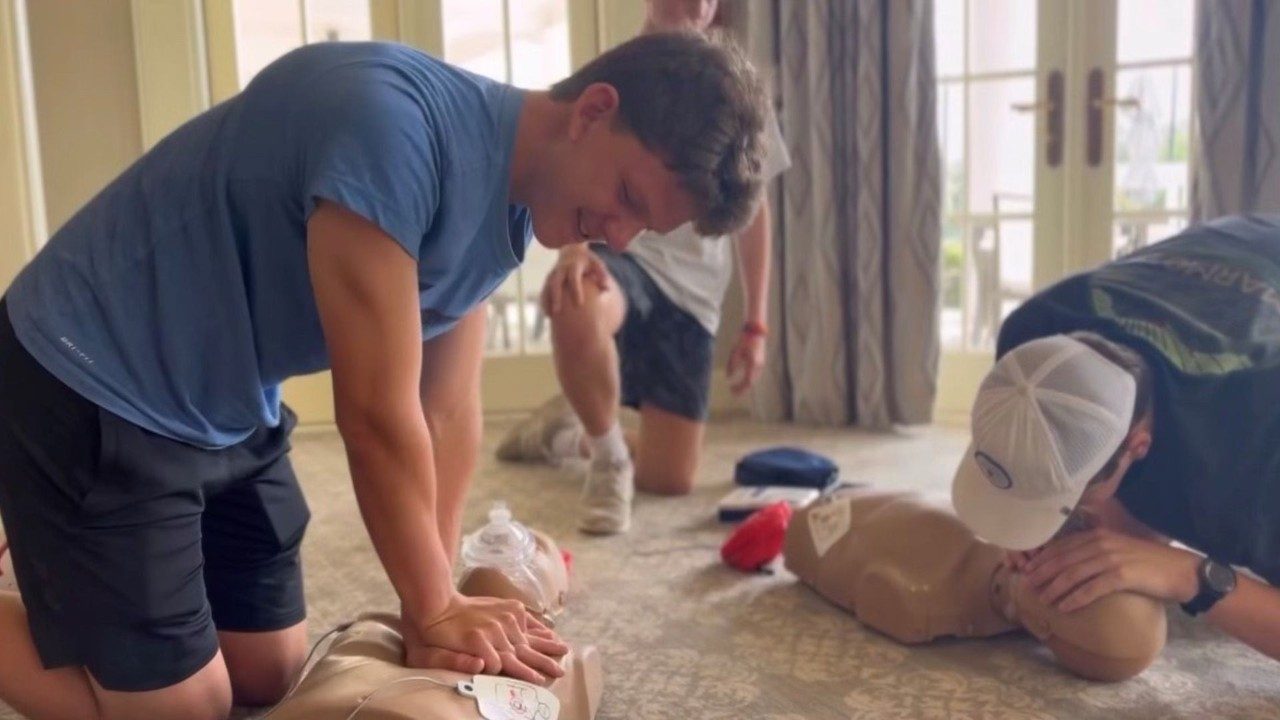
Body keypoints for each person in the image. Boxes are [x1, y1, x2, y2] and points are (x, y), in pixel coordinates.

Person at [0, 31, 768, 720]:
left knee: (267, 676)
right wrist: (433, 607)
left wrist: (430, 608)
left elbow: (448, 412)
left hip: (231, 407)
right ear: (593, 110)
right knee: (189, 713)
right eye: (628, 198)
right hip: (89, 379)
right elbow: (374, 412)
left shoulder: (511, 204)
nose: (621, 237)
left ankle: (65, 564)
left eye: (646, 226)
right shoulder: (390, 127)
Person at [496, 0, 791, 535]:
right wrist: (573, 251)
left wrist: (756, 323)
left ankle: (564, 435)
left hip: (695, 295)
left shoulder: (741, 98)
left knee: (670, 477)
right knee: (575, 299)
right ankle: (608, 457)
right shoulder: (619, 74)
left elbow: (753, 213)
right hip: (626, 264)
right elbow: (568, 158)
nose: (695, 4)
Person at [950, 213, 1280, 663]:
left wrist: (1191, 575)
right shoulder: (1033, 331)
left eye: (1072, 501)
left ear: (1137, 446)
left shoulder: (1254, 465)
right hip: (1230, 247)